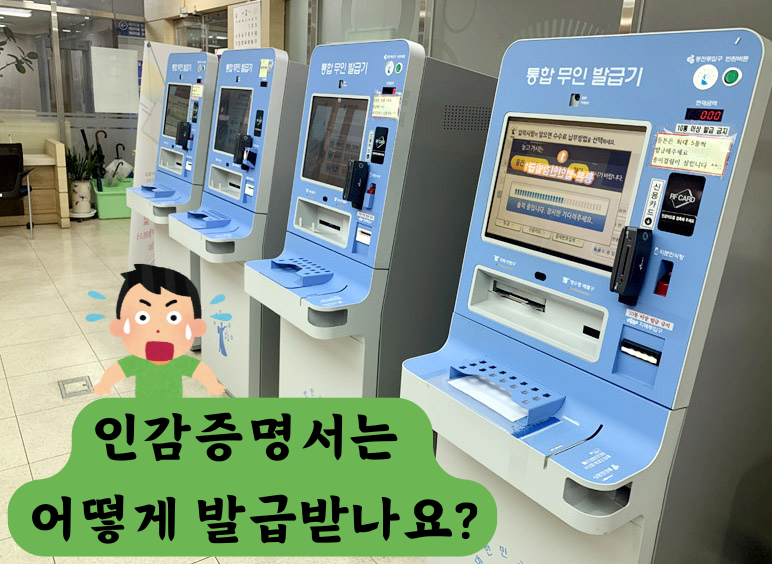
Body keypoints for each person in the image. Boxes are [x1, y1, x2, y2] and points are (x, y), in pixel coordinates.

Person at [93, 264, 226, 398]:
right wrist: (104, 384)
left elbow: (199, 371)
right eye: (142, 317)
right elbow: (117, 371)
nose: (158, 328)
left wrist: (212, 384)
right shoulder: (139, 362)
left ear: (195, 327)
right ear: (119, 327)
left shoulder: (178, 362)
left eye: (173, 317)